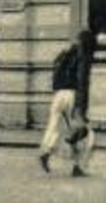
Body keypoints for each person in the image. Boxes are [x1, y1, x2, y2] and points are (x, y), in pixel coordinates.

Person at [37, 31, 96, 177]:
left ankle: (46, 151)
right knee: (86, 134)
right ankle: (78, 166)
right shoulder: (84, 55)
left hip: (59, 94)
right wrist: (81, 107)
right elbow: (82, 80)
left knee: (55, 127)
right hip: (73, 94)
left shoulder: (65, 52)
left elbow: (55, 70)